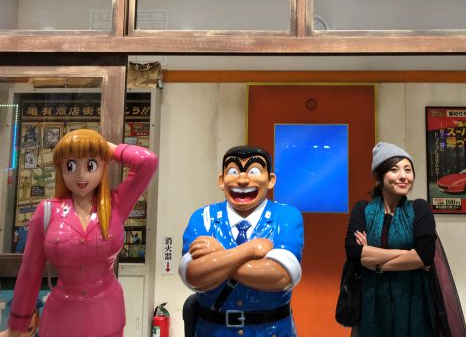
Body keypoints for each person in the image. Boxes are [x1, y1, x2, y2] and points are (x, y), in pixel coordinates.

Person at [0, 129, 158, 337]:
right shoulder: (47, 211)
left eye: (91, 164)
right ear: (61, 168)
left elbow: (148, 162)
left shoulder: (115, 204)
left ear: (103, 165)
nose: (81, 174)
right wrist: (15, 327)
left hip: (107, 316)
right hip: (62, 318)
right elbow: (30, 272)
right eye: (71, 165)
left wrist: (106, 147)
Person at [179, 145, 303, 336]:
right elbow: (194, 275)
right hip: (213, 331)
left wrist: (217, 258)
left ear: (270, 180)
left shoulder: (286, 217)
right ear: (222, 181)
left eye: (253, 171)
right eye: (233, 172)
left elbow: (281, 276)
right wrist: (250, 250)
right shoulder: (203, 217)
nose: (243, 180)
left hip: (272, 331)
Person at [345, 142, 436, 337]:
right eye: (394, 170)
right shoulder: (362, 210)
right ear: (379, 176)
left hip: (413, 302)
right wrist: (408, 254)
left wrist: (375, 264)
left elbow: (425, 255)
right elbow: (354, 252)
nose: (403, 176)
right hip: (371, 303)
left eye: (408, 170)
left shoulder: (420, 209)